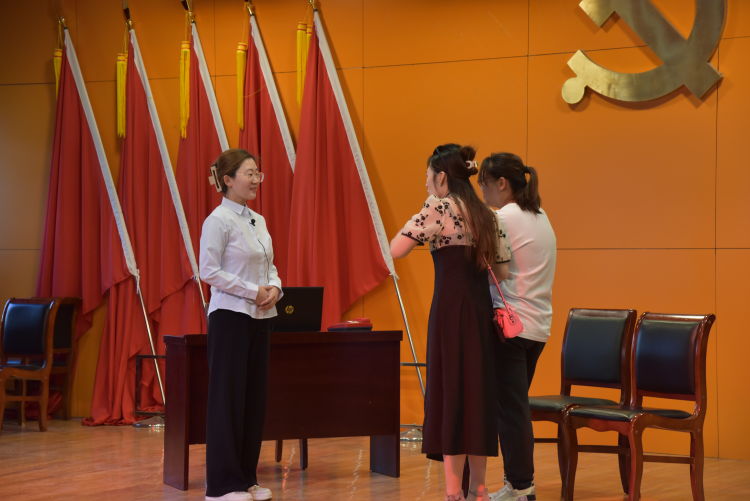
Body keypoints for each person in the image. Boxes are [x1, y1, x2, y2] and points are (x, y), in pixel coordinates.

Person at [391, 144, 511, 501]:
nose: (426, 183)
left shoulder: (439, 207)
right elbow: (502, 272)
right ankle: (480, 488)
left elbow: (396, 249)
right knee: (477, 394)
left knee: (451, 393)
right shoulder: (489, 215)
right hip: (479, 312)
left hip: (448, 313)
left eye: (428, 176)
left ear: (442, 177)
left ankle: (452, 490)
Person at [200, 148, 282, 501]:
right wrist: (252, 291)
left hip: (260, 317)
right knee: (227, 400)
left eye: (257, 173)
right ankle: (221, 486)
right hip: (230, 317)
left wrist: (275, 288)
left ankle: (246, 478)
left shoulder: (257, 220)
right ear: (228, 180)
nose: (255, 179)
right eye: (249, 173)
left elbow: (269, 265)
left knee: (252, 400)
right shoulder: (217, 220)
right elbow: (209, 271)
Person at [478, 153, 556, 501]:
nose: (482, 194)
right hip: (537, 328)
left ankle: (522, 487)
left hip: (510, 328)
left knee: (511, 412)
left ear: (501, 184)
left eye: (484, 185)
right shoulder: (540, 216)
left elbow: (487, 266)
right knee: (515, 408)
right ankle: (519, 484)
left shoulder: (503, 217)